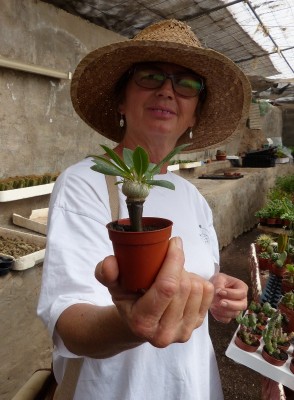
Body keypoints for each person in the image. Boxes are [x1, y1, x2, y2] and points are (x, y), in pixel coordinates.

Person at [38, 19, 251, 399]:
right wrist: (133, 325)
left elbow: (200, 281)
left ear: (194, 116)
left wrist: (217, 292)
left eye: (186, 84)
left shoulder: (194, 199)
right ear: (122, 100)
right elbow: (68, 321)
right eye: (150, 76)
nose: (168, 91)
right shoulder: (85, 182)